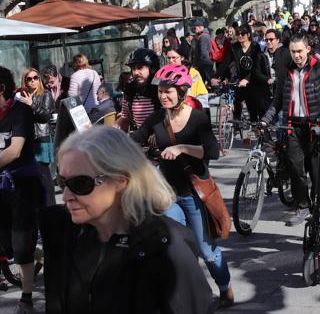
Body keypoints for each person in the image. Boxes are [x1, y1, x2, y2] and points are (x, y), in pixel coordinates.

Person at [41, 126, 213, 314]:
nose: (66, 196)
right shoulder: (65, 235)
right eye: (62, 182)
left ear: (121, 181)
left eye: (80, 183)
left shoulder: (168, 247)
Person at [131, 64, 234, 308]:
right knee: (174, 248)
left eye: (169, 91)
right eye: (160, 91)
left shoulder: (197, 118)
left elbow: (212, 152)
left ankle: (224, 288)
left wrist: (182, 148)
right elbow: (136, 139)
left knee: (206, 250)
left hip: (194, 193)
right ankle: (187, 296)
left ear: (182, 91)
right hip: (168, 195)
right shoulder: (157, 119)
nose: (163, 96)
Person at [261, 34, 320, 226]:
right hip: (292, 127)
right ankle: (302, 205)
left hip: (315, 127)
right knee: (295, 168)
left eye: (300, 51)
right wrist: (265, 121)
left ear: (308, 49)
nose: (296, 55)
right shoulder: (286, 72)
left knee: (317, 171)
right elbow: (277, 102)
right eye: (293, 52)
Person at [0, 66, 44, 314]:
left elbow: (15, 150)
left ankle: (26, 299)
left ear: (1, 88)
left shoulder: (21, 112)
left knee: (20, 248)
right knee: (6, 246)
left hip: (23, 188)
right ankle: (37, 253)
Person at [18, 68, 55, 206]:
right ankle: (39, 209)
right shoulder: (22, 96)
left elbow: (45, 116)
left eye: (36, 77)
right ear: (25, 81)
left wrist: (31, 104)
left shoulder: (45, 94)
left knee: (44, 176)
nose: (33, 80)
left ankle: (51, 209)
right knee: (33, 177)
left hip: (42, 138)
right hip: (27, 140)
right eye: (29, 78)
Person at [223, 24, 273, 122]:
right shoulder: (235, 47)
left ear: (248, 35)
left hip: (254, 80)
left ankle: (259, 130)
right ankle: (236, 124)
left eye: (243, 33)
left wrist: (247, 79)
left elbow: (256, 67)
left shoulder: (255, 46)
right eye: (238, 34)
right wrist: (221, 77)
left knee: (254, 109)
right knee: (237, 99)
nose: (240, 36)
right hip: (241, 80)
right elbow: (226, 63)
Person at [115, 48, 161, 132]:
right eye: (133, 68)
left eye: (140, 68)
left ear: (152, 68)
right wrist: (112, 129)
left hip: (164, 141)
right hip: (141, 140)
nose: (135, 72)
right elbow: (125, 118)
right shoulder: (129, 92)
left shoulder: (161, 89)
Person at [191, 20, 215, 85]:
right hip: (206, 64)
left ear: (201, 27)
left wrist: (197, 65)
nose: (193, 30)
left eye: (194, 28)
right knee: (207, 82)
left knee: (208, 82)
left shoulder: (203, 37)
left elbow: (203, 53)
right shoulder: (205, 35)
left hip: (204, 64)